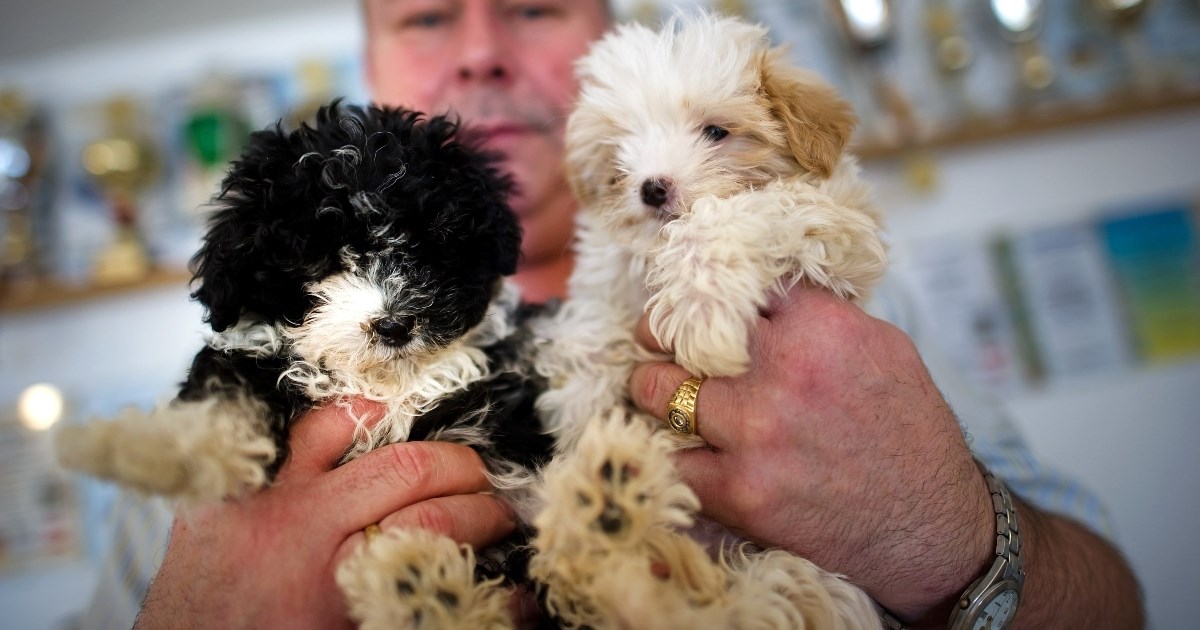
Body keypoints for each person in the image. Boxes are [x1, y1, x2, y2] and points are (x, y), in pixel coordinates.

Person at [125, 1, 1143, 628]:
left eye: (533, 7)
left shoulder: (819, 303)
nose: (479, 49)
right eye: (426, 16)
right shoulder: (244, 395)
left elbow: (1119, 609)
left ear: (608, 31)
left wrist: (951, 536)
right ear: (372, 56)